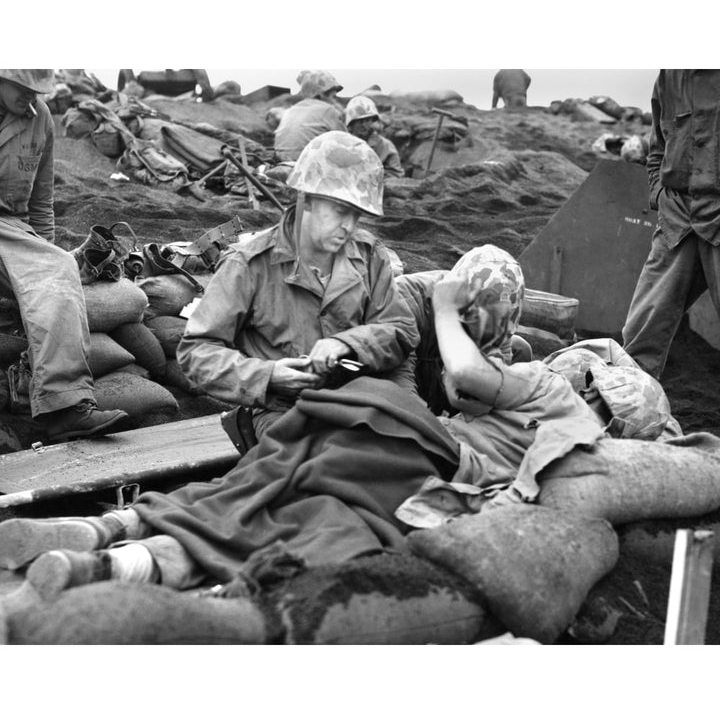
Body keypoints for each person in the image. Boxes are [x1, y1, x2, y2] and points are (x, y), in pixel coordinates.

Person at [0, 245, 608, 600]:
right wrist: (418, 424)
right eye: (470, 321)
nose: (479, 335)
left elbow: (478, 378)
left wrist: (432, 425)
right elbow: (397, 379)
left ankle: (115, 540)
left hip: (404, 441)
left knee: (292, 495)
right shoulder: (411, 303)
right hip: (355, 415)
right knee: (284, 474)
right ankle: (120, 541)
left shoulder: (541, 383)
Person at [177, 130, 420, 439]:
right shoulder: (248, 264)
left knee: (419, 447)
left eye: (356, 215)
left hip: (363, 396)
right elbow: (197, 351)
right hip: (285, 409)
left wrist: (349, 343)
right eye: (340, 211)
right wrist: (268, 376)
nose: (349, 226)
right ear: (305, 199)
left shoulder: (370, 255)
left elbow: (401, 328)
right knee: (325, 460)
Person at [0, 69, 129, 441]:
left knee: (58, 269)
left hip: (10, 230)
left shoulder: (40, 118)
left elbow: (41, 200)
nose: (31, 97)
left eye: (37, 90)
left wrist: (42, 260)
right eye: (23, 88)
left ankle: (64, 407)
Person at [622, 70, 720, 379]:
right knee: (640, 334)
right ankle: (626, 406)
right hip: (677, 216)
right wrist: (658, 194)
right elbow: (658, 147)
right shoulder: (669, 77)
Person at [273, 70, 346, 162]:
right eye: (331, 91)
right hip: (307, 162)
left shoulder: (290, 110)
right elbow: (345, 142)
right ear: (321, 93)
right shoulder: (328, 110)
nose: (335, 95)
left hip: (281, 161)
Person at [345, 95, 404, 178]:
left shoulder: (385, 145)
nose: (364, 125)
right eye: (359, 121)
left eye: (367, 120)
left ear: (373, 121)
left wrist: (373, 178)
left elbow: (395, 174)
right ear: (351, 123)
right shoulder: (343, 143)